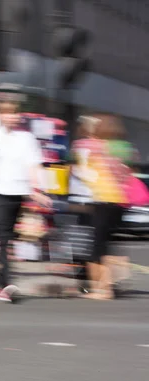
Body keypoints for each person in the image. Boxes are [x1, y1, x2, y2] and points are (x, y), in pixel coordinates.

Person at [0, 95, 52, 302]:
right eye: (6, 113)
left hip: (17, 193)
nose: (11, 117)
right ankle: (5, 283)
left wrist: (38, 190)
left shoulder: (26, 138)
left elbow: (33, 165)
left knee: (4, 239)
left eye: (14, 113)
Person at [71, 114, 135, 300]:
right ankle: (109, 284)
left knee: (98, 248)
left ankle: (103, 290)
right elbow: (126, 172)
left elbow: (84, 172)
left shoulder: (93, 146)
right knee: (107, 243)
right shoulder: (123, 147)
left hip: (102, 199)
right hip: (119, 200)